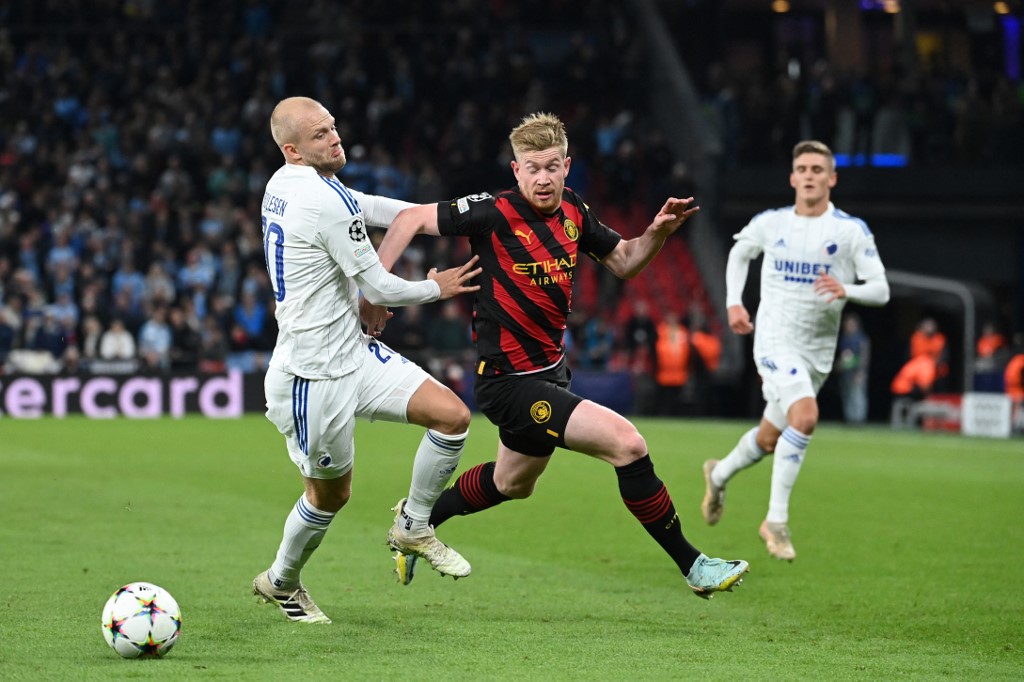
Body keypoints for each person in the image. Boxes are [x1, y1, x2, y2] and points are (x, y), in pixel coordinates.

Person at [365, 112, 748, 600]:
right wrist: (377, 291)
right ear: (515, 170)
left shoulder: (574, 210)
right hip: (508, 383)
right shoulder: (493, 211)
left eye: (551, 167)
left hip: (550, 374)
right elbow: (409, 218)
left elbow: (626, 261)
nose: (542, 178)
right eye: (532, 168)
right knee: (627, 444)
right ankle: (694, 565)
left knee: (511, 482)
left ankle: (413, 522)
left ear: (567, 166)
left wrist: (658, 232)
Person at [252, 96, 483, 624]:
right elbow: (378, 285)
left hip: (352, 352)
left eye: (333, 126)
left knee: (451, 417)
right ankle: (282, 582)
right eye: (319, 135)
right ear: (294, 150)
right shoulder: (319, 199)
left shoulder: (285, 183)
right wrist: (436, 286)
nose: (335, 138)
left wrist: (442, 214)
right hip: (315, 375)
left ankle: (415, 524)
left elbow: (376, 209)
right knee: (331, 496)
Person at [701, 140, 890, 561]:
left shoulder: (849, 231)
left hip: (817, 351)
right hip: (773, 339)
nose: (809, 175)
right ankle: (776, 520)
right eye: (802, 168)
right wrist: (735, 301)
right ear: (792, 178)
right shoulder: (772, 223)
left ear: (831, 178)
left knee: (770, 437)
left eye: (817, 169)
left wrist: (848, 288)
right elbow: (740, 252)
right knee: (805, 418)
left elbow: (881, 289)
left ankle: (719, 474)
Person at [835, 312, 870, 423]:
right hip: (846, 372)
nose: (848, 326)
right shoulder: (844, 338)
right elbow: (844, 355)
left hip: (857, 371)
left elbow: (865, 355)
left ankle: (859, 419)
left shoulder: (861, 338)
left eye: (851, 324)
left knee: (858, 395)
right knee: (847, 395)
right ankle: (850, 418)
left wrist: (861, 372)